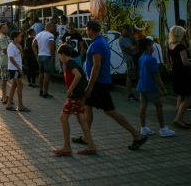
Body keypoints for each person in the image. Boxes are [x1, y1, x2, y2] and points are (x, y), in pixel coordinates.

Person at [74, 21, 147, 151]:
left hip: (99, 83)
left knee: (110, 111)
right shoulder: (100, 41)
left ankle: (137, 135)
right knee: (88, 108)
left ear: (91, 30)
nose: (86, 31)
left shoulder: (97, 44)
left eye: (86, 29)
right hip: (97, 82)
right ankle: (86, 137)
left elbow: (96, 67)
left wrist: (89, 86)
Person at [53, 44, 96, 156]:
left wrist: (70, 90)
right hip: (80, 96)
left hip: (75, 96)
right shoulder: (72, 62)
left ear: (62, 54)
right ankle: (91, 146)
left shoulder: (70, 63)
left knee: (63, 118)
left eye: (59, 55)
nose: (59, 58)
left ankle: (67, 147)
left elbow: (77, 76)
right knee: (82, 120)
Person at [136, 38, 176, 138]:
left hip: (142, 85)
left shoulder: (141, 58)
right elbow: (156, 76)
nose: (153, 47)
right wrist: (162, 89)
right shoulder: (151, 59)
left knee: (143, 105)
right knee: (159, 106)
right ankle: (163, 129)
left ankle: (143, 127)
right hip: (151, 86)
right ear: (147, 47)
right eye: (151, 45)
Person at [5, 31, 30, 112]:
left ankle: (9, 104)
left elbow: (21, 57)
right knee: (19, 86)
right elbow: (11, 58)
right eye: (19, 37)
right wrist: (19, 68)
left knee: (14, 86)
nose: (21, 38)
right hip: (14, 70)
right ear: (15, 38)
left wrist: (21, 49)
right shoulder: (11, 46)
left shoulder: (17, 46)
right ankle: (20, 106)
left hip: (17, 69)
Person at [33, 22, 56, 98]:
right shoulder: (50, 35)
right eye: (53, 27)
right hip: (47, 56)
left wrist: (36, 54)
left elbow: (33, 45)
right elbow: (51, 47)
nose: (54, 29)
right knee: (47, 74)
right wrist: (53, 59)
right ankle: (45, 93)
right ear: (49, 27)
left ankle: (41, 91)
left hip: (40, 55)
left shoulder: (38, 34)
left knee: (41, 74)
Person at [119, 25, 140, 102]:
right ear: (123, 30)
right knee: (130, 76)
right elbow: (132, 48)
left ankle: (131, 94)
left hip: (134, 58)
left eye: (129, 31)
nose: (128, 32)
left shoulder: (129, 37)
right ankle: (129, 94)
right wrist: (137, 43)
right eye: (127, 30)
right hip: (130, 60)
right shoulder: (122, 39)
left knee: (132, 76)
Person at [0, 23, 11, 104]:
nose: (6, 29)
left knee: (7, 80)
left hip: (8, 61)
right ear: (0, 29)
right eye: (4, 28)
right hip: (5, 61)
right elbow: (5, 50)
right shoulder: (2, 38)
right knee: (5, 80)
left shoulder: (7, 37)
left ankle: (5, 96)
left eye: (6, 27)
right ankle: (4, 97)